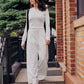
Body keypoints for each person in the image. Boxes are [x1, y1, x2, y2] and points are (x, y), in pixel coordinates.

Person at [21, 0, 50, 84]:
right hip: (31, 35)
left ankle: (40, 75)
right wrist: (23, 40)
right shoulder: (29, 11)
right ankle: (34, 79)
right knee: (31, 59)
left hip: (41, 35)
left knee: (43, 57)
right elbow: (27, 27)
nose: (30, 0)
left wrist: (48, 37)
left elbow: (47, 25)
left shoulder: (45, 10)